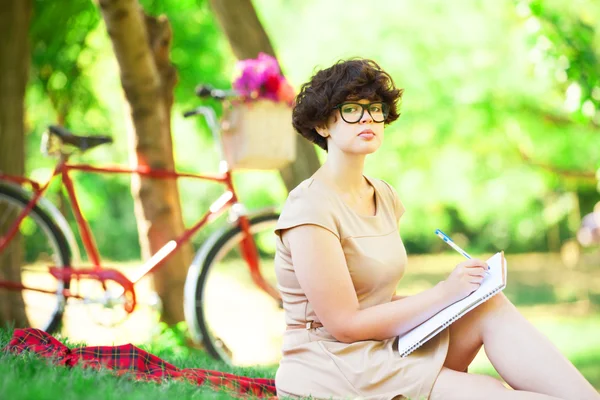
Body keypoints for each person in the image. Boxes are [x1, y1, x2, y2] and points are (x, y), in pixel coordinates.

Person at [273, 58, 599, 400]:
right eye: (352, 109)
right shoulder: (310, 208)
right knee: (490, 391)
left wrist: (465, 296)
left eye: (375, 109)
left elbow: (377, 298)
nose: (367, 118)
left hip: (380, 348)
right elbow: (345, 325)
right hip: (333, 365)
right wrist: (445, 293)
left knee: (487, 305)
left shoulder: (382, 194)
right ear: (323, 125)